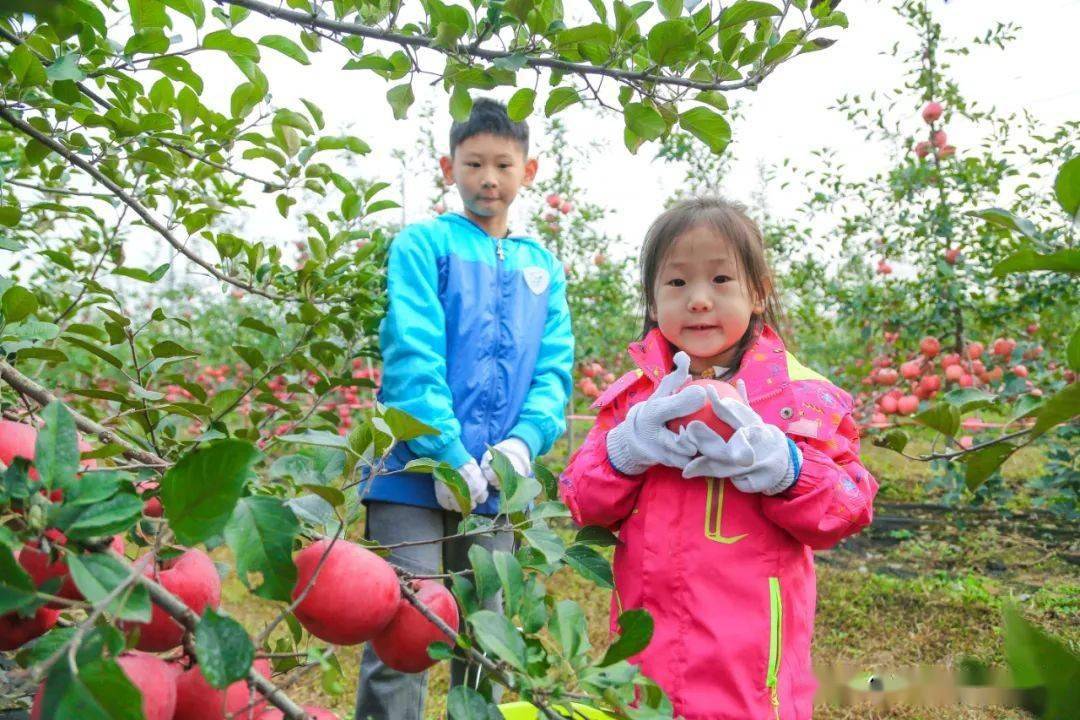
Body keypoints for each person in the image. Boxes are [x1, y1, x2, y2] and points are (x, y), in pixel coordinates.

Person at [559, 197, 877, 720]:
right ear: (653, 299)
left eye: (722, 280)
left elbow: (848, 507)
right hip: (645, 663)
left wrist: (789, 469)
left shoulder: (803, 399)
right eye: (678, 283)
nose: (699, 300)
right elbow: (580, 502)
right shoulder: (636, 401)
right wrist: (623, 451)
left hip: (752, 676)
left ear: (758, 293)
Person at [355, 98, 574, 719]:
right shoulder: (424, 245)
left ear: (528, 172)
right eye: (473, 163)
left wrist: (523, 444)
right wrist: (446, 454)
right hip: (411, 472)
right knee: (407, 627)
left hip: (498, 479)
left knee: (486, 633)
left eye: (503, 165)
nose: (488, 179)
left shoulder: (543, 267)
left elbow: (554, 371)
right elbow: (411, 356)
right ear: (449, 168)